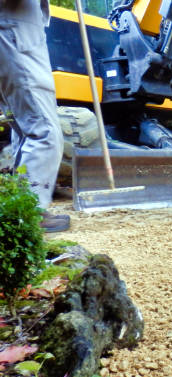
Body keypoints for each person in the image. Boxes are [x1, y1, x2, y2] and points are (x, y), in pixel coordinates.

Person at [0, 0, 70, 232]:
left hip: (17, 34)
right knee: (44, 131)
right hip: (15, 35)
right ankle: (30, 211)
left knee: (25, 130)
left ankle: (20, 208)